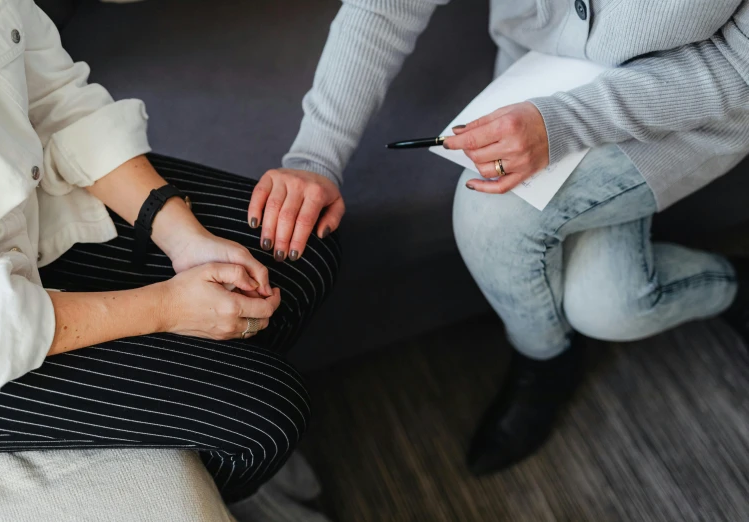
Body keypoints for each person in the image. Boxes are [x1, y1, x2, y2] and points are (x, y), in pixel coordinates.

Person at [251, 0, 749, 475]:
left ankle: (543, 363)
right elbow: (384, 7)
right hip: (540, 68)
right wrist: (314, 159)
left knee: (494, 217)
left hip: (688, 103)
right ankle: (720, 290)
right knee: (610, 307)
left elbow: (736, 66)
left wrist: (563, 121)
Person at [0, 0, 339, 505]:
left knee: (303, 258)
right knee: (267, 415)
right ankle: (239, 483)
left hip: (29, 217)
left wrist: (183, 237)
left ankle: (219, 422)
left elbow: (53, 97)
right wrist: (167, 307)